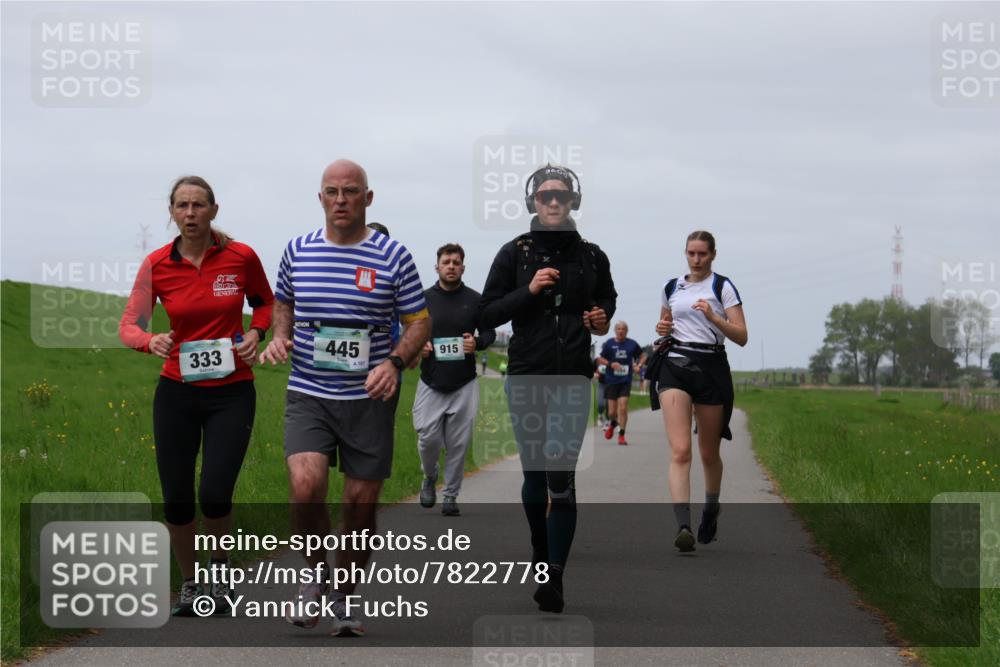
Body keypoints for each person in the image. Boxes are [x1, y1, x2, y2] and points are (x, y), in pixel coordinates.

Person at [260, 160, 430, 636]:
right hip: (309, 391)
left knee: (359, 505)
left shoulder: (393, 256)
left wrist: (393, 363)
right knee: (306, 486)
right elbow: (284, 302)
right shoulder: (297, 250)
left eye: (350, 192)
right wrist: (280, 334)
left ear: (368, 198)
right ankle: (315, 577)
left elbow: (419, 322)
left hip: (370, 397)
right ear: (319, 198)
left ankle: (344, 598)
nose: (341, 200)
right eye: (332, 191)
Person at [119, 175, 274, 616]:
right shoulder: (156, 265)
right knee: (177, 497)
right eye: (182, 206)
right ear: (171, 212)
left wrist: (257, 332)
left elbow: (266, 302)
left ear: (214, 209)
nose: (190, 213)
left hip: (232, 392)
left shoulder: (241, 257)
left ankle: (221, 574)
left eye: (198, 205)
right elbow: (130, 323)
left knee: (215, 492)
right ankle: (191, 584)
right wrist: (149, 341)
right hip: (177, 393)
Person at [480, 164, 616, 614]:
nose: (553, 202)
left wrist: (600, 318)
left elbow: (606, 302)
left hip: (574, 376)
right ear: (532, 202)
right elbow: (487, 314)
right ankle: (541, 558)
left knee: (561, 475)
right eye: (545, 196)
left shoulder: (593, 256)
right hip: (527, 374)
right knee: (535, 477)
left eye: (561, 196)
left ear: (573, 201)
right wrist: (531, 291)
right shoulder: (513, 254)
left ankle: (554, 575)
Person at [644, 230, 747, 552]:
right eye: (691, 253)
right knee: (680, 451)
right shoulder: (672, 287)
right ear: (685, 253)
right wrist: (662, 328)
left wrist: (713, 316)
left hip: (710, 368)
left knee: (708, 453)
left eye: (702, 254)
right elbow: (664, 326)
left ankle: (711, 508)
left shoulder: (723, 286)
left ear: (713, 254)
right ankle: (683, 526)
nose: (696, 259)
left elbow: (741, 336)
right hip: (674, 365)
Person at [413, 243, 496, 516]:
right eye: (446, 261)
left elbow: (489, 332)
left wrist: (478, 342)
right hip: (431, 381)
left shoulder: (475, 300)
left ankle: (450, 495)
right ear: (437, 267)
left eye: (456, 262)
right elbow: (409, 330)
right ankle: (429, 474)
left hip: (464, 382)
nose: (451, 266)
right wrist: (419, 344)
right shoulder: (423, 299)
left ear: (463, 267)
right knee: (428, 439)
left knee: (458, 444)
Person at [595, 321, 643, 445]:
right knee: (611, 412)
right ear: (615, 330)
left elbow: (643, 355)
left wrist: (639, 365)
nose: (621, 331)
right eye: (619, 329)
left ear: (627, 331)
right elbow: (600, 359)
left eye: (623, 329)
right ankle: (613, 423)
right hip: (611, 381)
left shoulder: (632, 344)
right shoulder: (609, 344)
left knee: (623, 406)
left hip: (625, 380)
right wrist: (611, 364)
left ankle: (621, 434)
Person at [593, 358, 608, 429]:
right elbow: (592, 368)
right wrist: (595, 373)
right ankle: (600, 416)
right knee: (601, 403)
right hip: (601, 383)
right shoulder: (598, 359)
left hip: (612, 384)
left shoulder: (613, 357)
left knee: (609, 404)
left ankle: (608, 421)